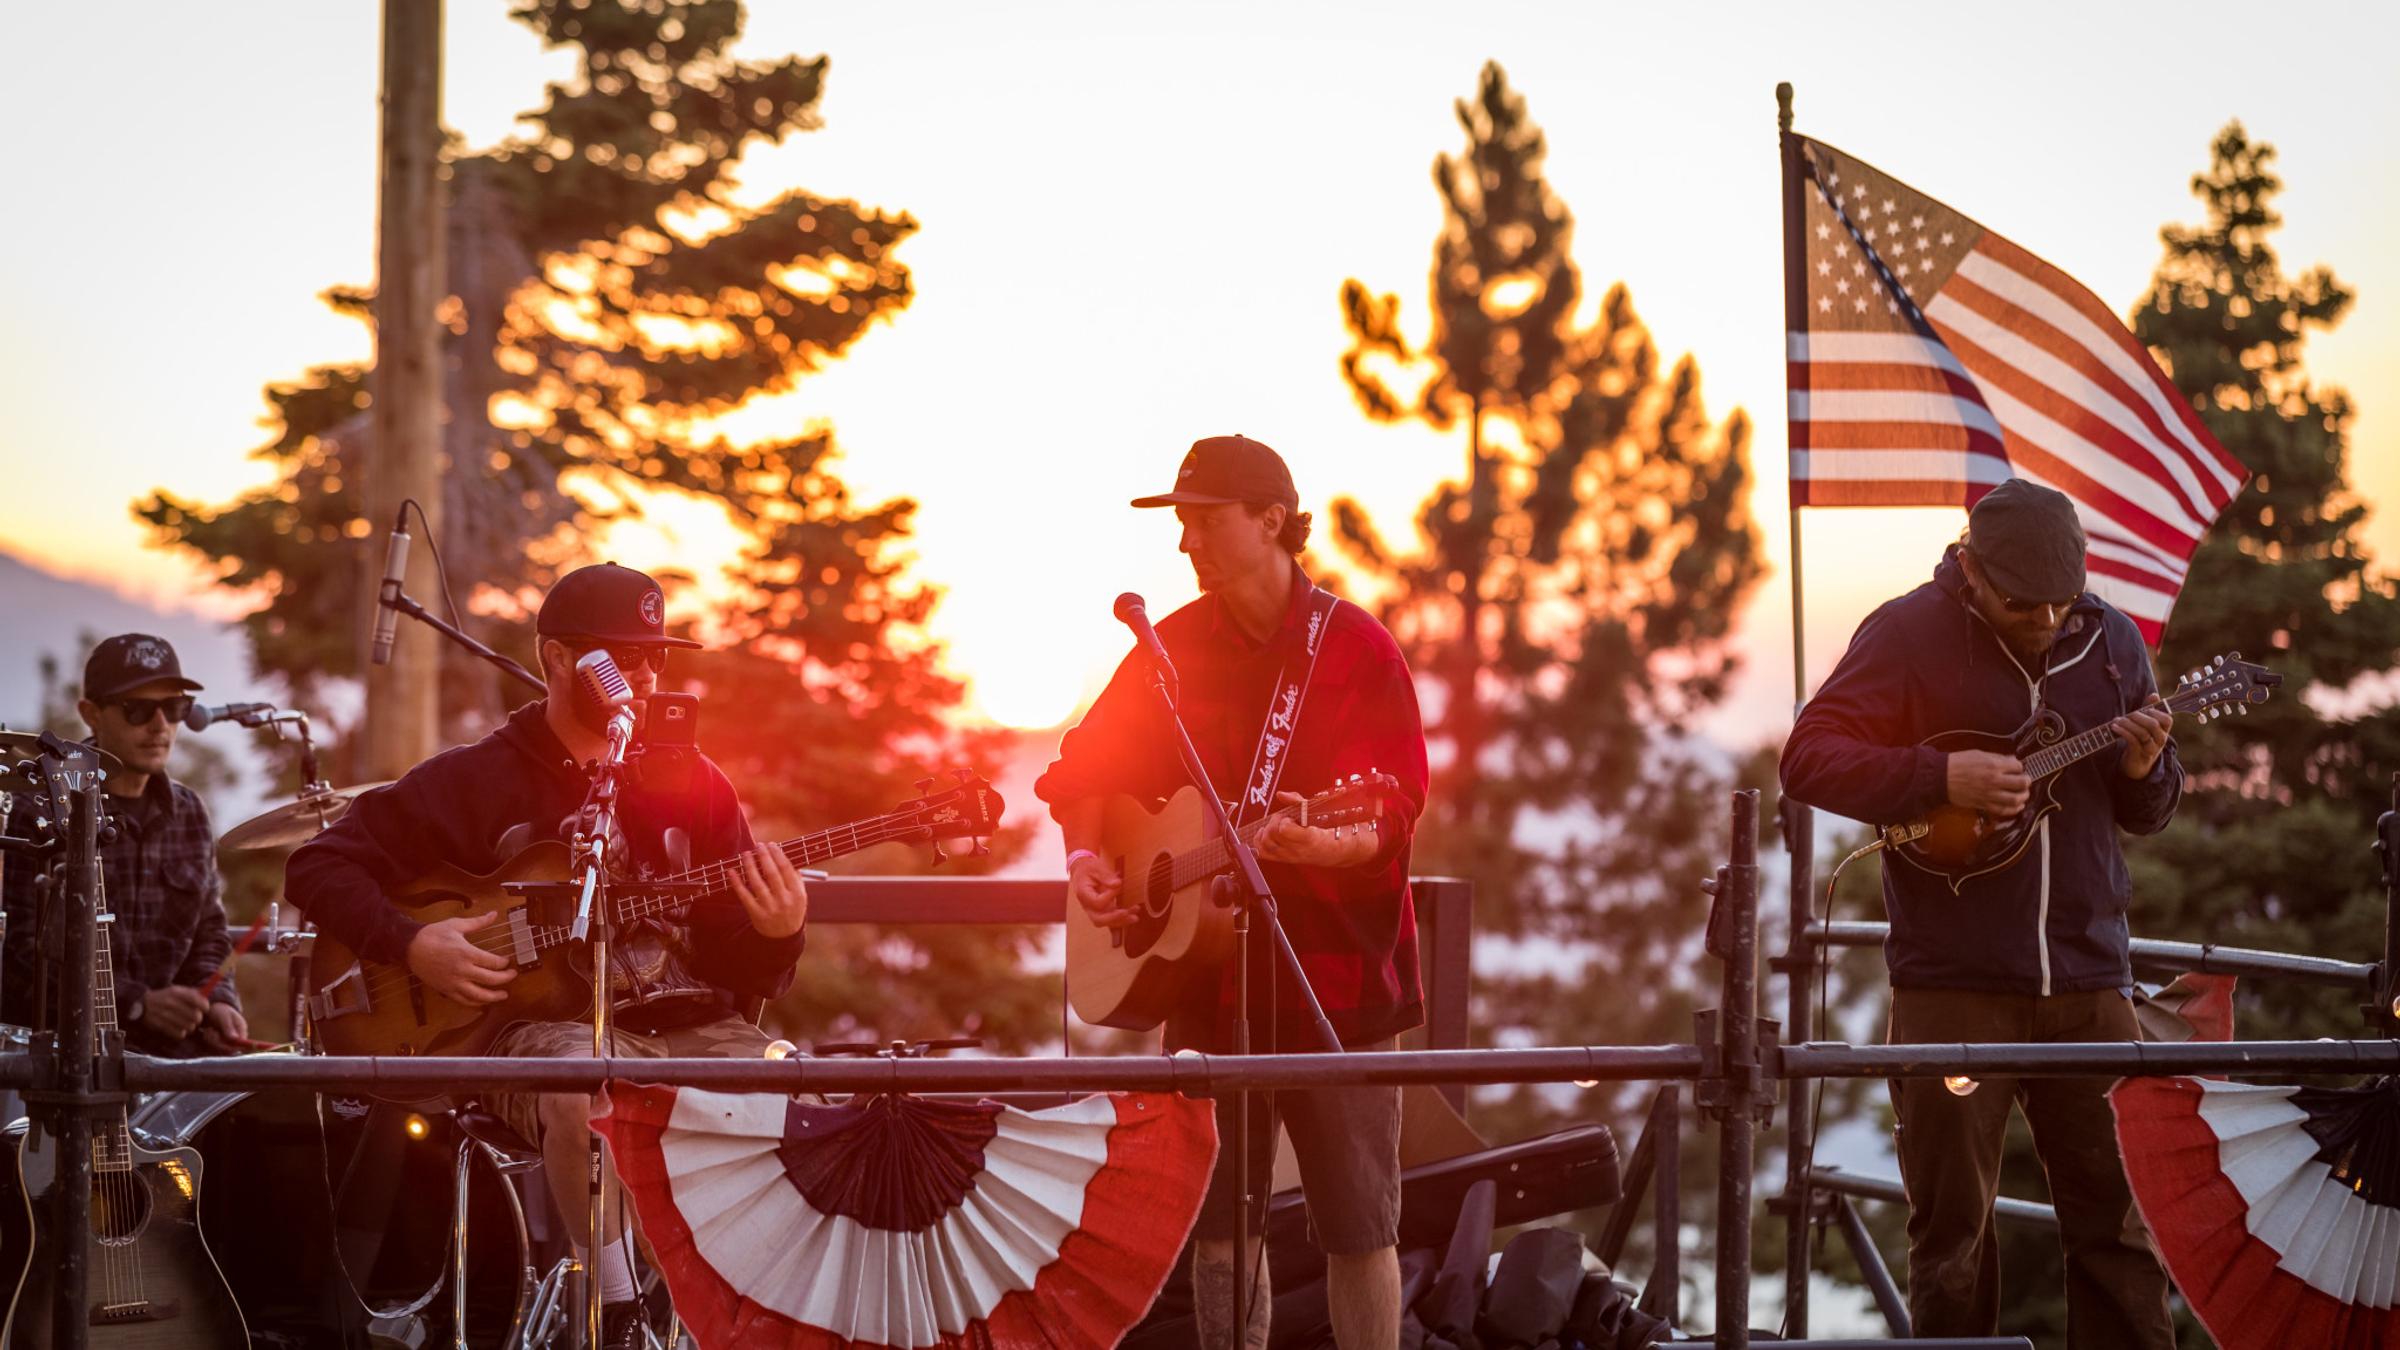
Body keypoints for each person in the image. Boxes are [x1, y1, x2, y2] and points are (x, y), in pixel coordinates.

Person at [286, 563, 809, 1349]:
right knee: (584, 1091)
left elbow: (738, 971)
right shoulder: (475, 779)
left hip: (681, 1020)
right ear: (559, 659)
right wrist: (413, 944)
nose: (645, 673)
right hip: (535, 1030)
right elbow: (316, 866)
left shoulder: (694, 783)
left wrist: (778, 930)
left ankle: (766, 1315)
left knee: (804, 1091)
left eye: (655, 657)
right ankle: (621, 1310)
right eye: (621, 656)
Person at [1036, 435, 1429, 1350]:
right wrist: (1089, 856)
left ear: (1272, 520)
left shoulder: (1358, 649)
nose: (1186, 545)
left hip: (1342, 988)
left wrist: (1321, 846)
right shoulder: (1169, 650)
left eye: (1204, 521)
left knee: (1360, 1226)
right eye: (1182, 523)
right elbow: (1083, 768)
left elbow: (1392, 808)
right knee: (1218, 1231)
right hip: (1206, 986)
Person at [1780, 478, 2180, 1348]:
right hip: (1951, 987)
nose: (2043, 619)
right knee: (1953, 1241)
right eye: (2021, 603)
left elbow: (2146, 814)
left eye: (2058, 602)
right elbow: (1808, 758)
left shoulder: (2112, 640)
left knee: (2119, 1234)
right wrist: (1940, 775)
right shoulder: (1906, 631)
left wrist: (2148, 770)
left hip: (2092, 987)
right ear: (1972, 568)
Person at [2, 633, 248, 1057]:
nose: (160, 725)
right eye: (138, 708)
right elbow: (20, 954)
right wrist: (136, 1004)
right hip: (64, 1057)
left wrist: (218, 998)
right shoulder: (39, 807)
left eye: (175, 708)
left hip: (169, 1059)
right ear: (91, 714)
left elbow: (209, 930)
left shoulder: (189, 812)